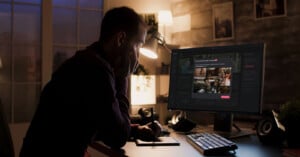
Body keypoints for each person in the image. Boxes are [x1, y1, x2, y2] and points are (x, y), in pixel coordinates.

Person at [19, 6, 162, 157]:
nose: (138, 58)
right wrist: (123, 76)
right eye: (138, 45)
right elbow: (117, 137)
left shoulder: (86, 61)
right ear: (120, 39)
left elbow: (100, 123)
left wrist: (134, 130)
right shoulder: (96, 71)